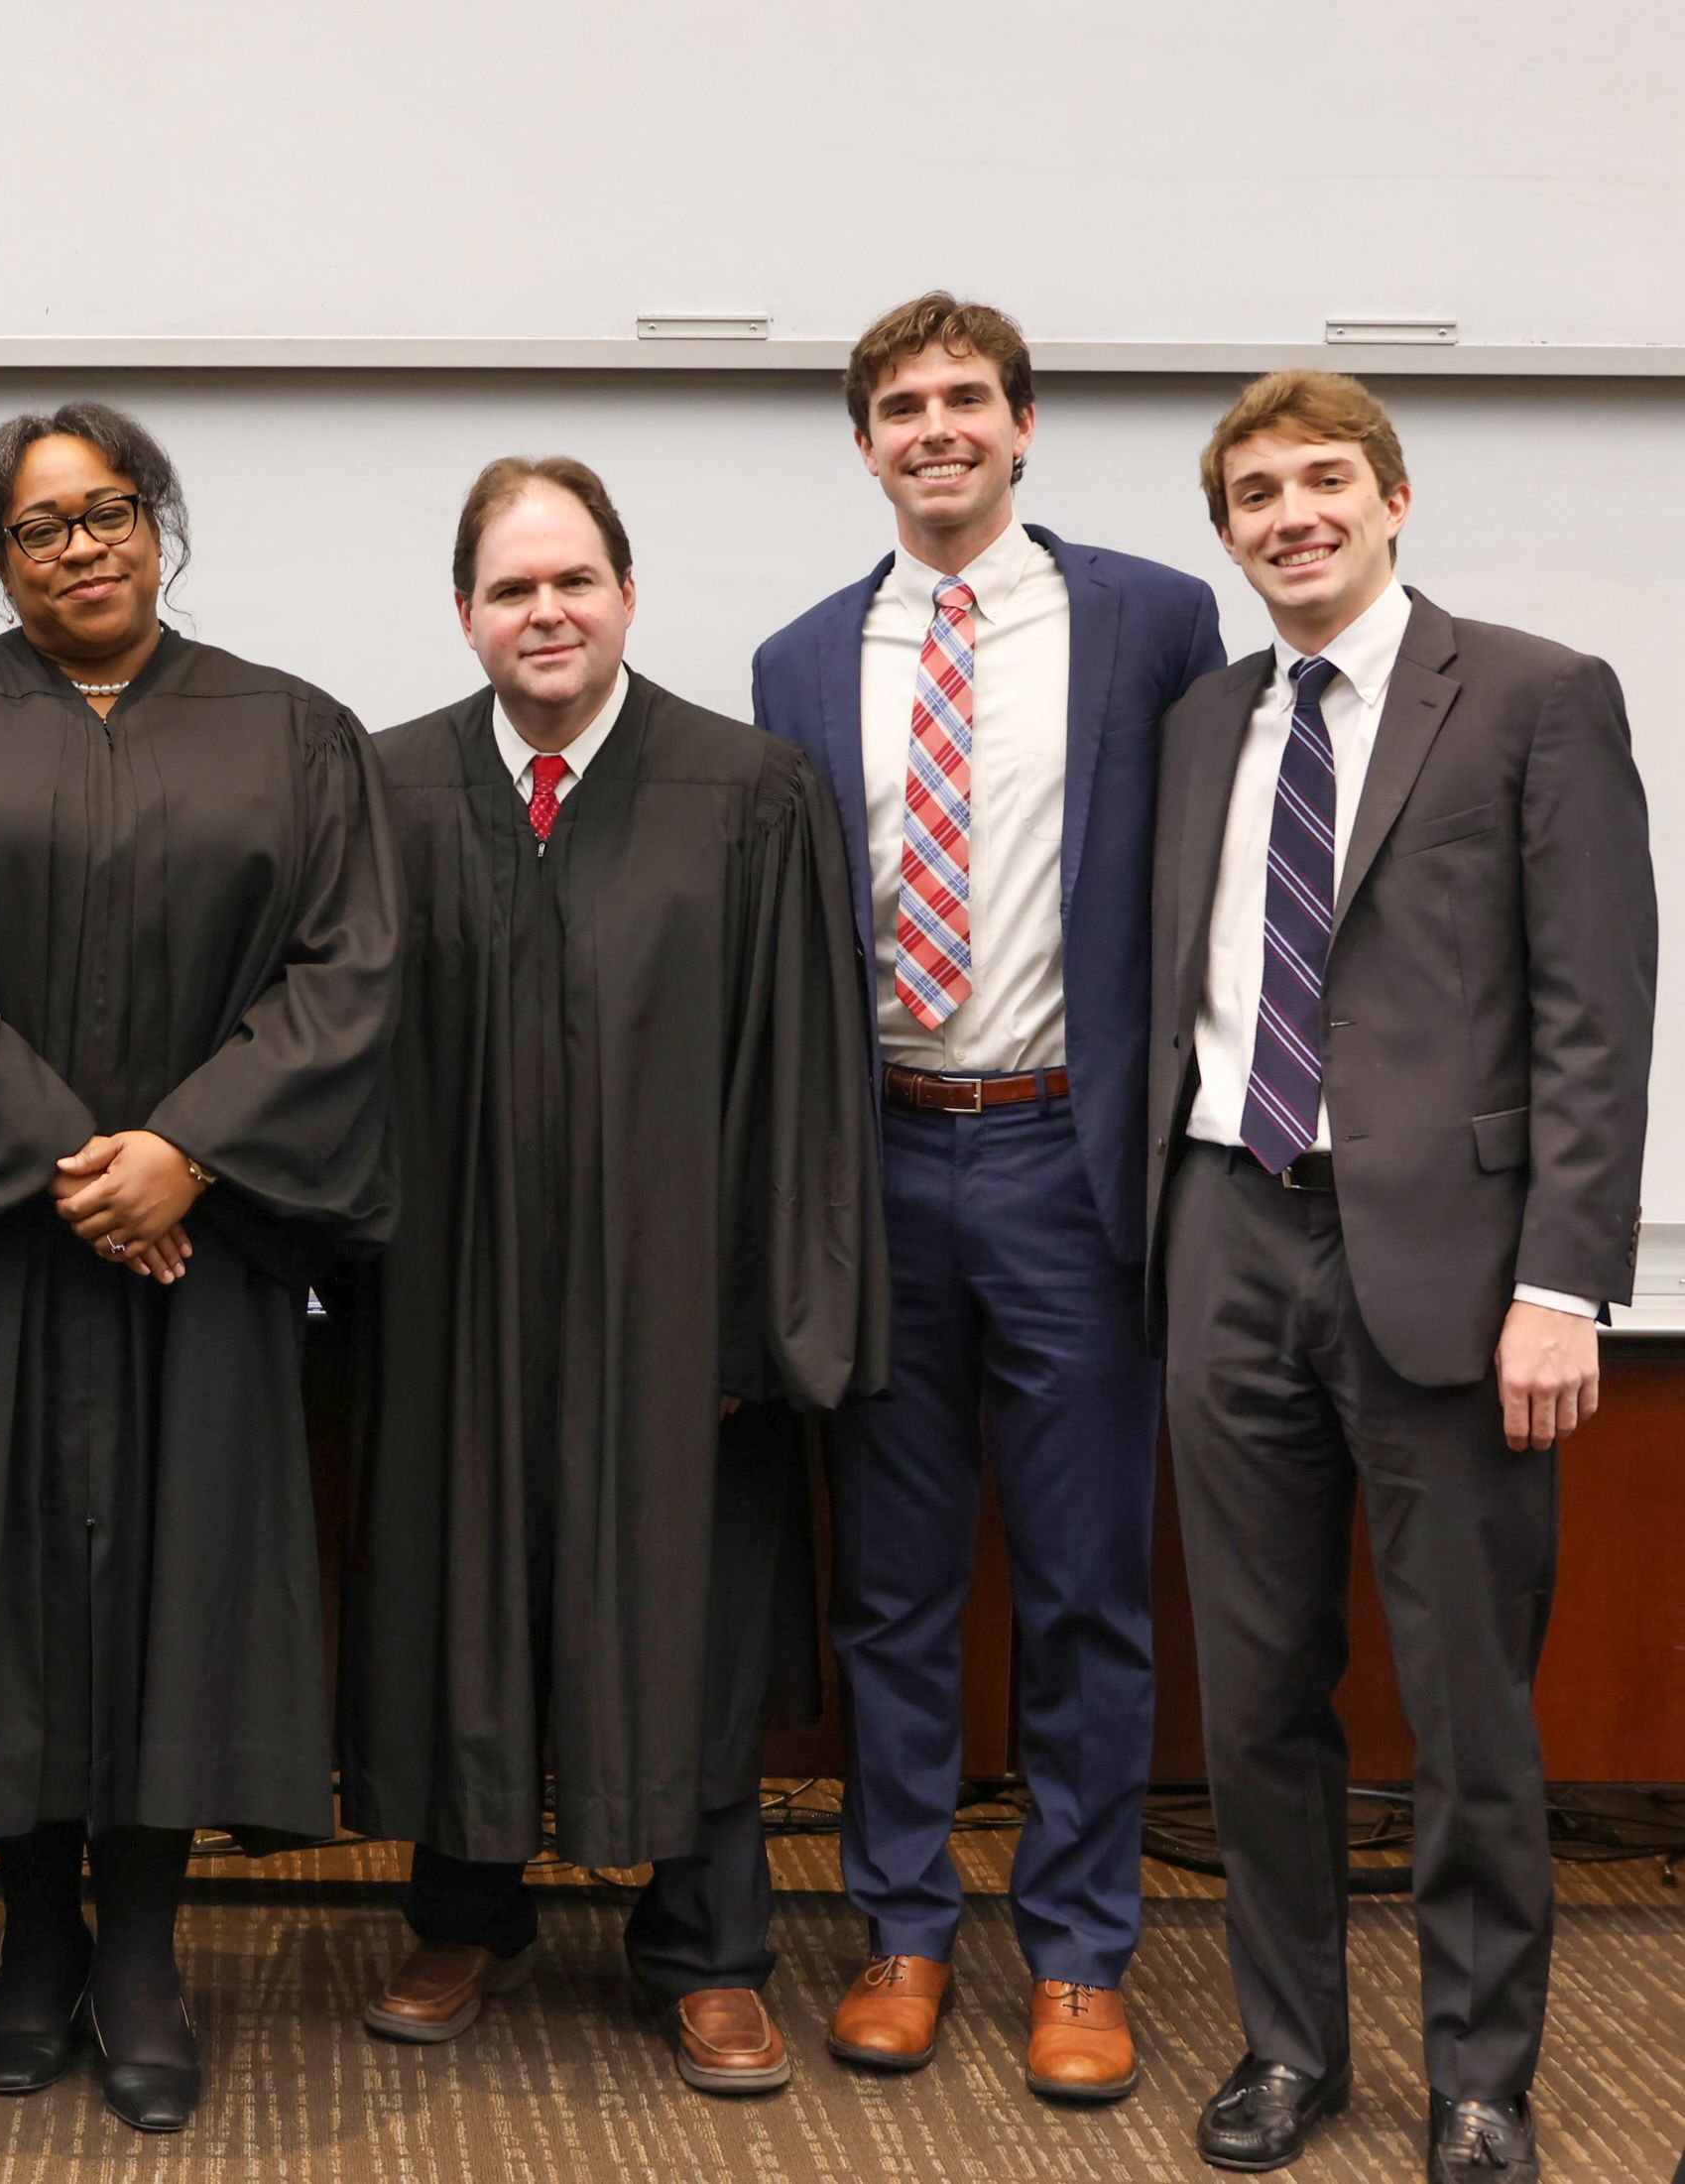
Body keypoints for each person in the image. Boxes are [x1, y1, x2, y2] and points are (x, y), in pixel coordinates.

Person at [0, 401, 399, 2134]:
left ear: (161, 523)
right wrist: (82, 1158)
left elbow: (346, 975)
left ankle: (141, 1948)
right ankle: (26, 1936)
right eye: (41, 523)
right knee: (2, 1587)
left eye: (111, 509)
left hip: (195, 1247)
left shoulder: (294, 730)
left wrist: (185, 1151)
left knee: (175, 1592)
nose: (84, 544)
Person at [1149, 371, 1652, 2184]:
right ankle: (1289, 2046)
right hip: (1225, 1232)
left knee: (1470, 1704)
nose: (1292, 514)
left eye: (1324, 481)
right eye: (1255, 493)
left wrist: (1564, 1283)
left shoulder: (1533, 695)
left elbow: (1600, 1010)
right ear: (1227, 531)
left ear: (1395, 498)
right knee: (1256, 1693)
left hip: (1454, 1271)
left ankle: (1479, 2074)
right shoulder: (1203, 720)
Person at [344, 458, 883, 2096]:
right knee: (464, 1591)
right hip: (454, 1299)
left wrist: (757, 1318)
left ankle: (710, 1949)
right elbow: (333, 1060)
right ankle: (467, 1912)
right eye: (511, 589)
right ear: (465, 615)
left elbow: (800, 1072)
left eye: (573, 580)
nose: (546, 612)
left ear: (628, 594)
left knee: (689, 1615)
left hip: (676, 1310)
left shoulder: (749, 791)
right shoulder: (385, 793)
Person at [752, 292, 1224, 2100]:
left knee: (1089, 1581)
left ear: (1023, 426)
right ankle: (901, 1921)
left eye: (965, 397)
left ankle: (1084, 1949)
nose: (933, 426)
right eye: (898, 404)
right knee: (890, 1580)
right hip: (878, 1161)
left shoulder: (1150, 621)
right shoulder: (802, 657)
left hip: (1064, 1159)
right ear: (863, 444)